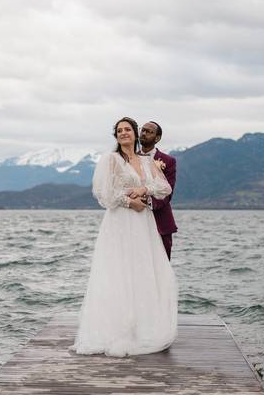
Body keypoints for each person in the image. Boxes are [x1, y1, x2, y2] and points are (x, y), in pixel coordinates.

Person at [71, 117, 178, 357]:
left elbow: (165, 188)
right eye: (119, 131)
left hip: (144, 225)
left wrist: (144, 189)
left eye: (127, 129)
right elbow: (103, 194)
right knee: (117, 273)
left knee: (143, 271)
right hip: (120, 221)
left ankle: (143, 328)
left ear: (135, 133)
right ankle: (115, 329)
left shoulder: (145, 160)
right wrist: (130, 202)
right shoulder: (111, 160)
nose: (123, 133)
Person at [134, 121, 177, 260]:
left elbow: (167, 193)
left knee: (162, 264)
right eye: (143, 130)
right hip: (134, 220)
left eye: (149, 132)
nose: (144, 133)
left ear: (157, 138)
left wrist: (149, 201)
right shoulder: (130, 158)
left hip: (161, 222)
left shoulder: (168, 161)